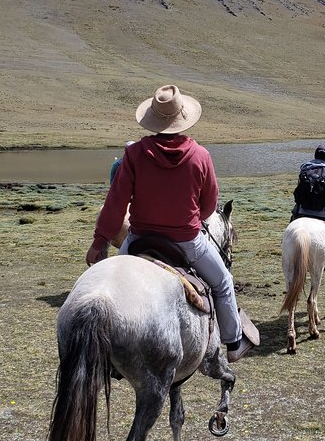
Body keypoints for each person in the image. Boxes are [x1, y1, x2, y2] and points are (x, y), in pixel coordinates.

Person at [85, 84, 255, 362]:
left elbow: (116, 202)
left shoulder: (135, 154)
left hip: (139, 238)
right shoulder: (201, 156)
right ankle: (234, 343)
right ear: (183, 118)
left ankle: (109, 350)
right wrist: (191, 220)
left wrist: (99, 242)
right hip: (187, 242)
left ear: (152, 119)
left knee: (113, 285)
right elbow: (210, 204)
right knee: (223, 281)